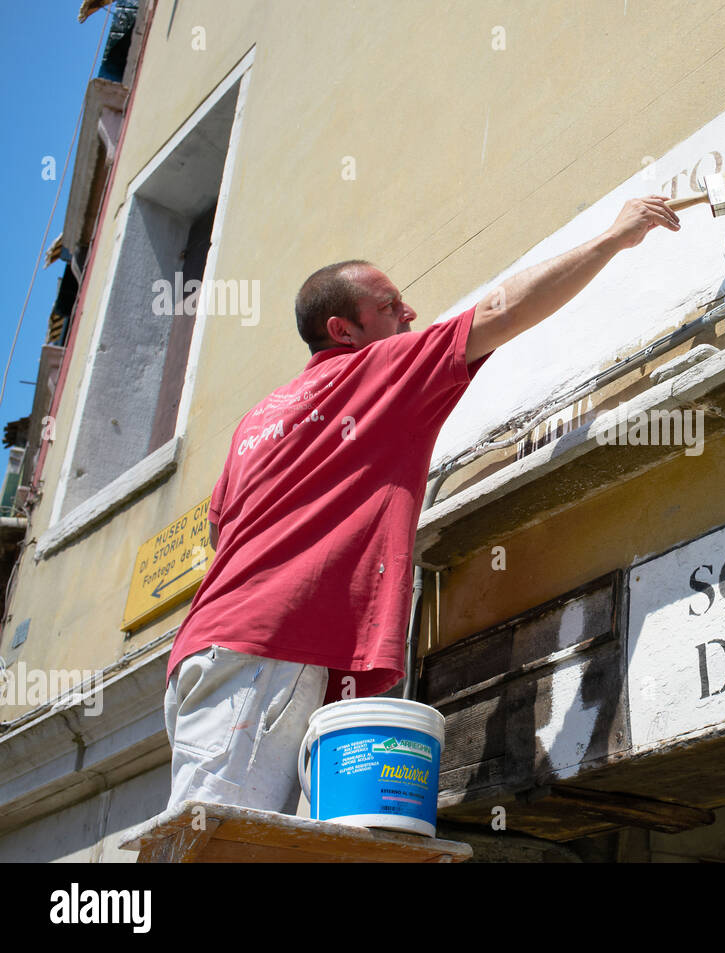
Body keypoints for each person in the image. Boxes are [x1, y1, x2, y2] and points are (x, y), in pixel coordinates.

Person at [163, 195, 681, 815]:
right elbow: (498, 310)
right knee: (221, 843)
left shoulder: (257, 419)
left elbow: (223, 535)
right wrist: (612, 238)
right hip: (267, 648)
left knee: (245, 836)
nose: (408, 311)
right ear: (343, 330)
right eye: (387, 305)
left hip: (217, 649)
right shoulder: (373, 370)